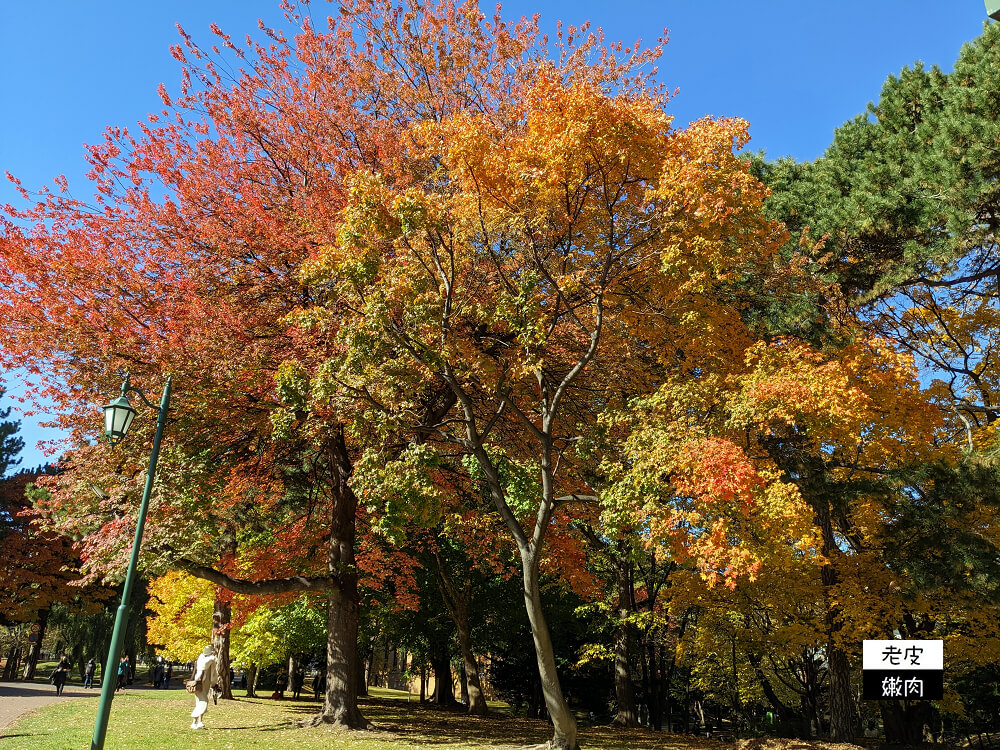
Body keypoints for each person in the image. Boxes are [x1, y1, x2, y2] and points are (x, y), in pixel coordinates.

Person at [189, 644, 219, 730]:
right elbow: (204, 665)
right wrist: (212, 657)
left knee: (201, 702)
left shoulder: (211, 660)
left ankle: (199, 722)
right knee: (203, 701)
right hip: (199, 683)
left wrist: (214, 684)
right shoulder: (202, 658)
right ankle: (194, 721)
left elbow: (213, 674)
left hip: (206, 683)